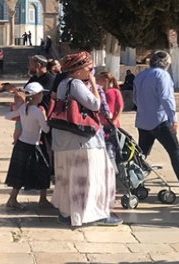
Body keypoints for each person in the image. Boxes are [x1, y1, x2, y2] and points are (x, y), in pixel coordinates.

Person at [51, 52, 121, 227]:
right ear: (78, 70)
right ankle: (92, 213)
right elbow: (95, 104)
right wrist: (94, 85)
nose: (91, 72)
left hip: (65, 139)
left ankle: (68, 212)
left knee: (70, 179)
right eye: (89, 69)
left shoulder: (63, 83)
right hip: (81, 140)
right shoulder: (75, 83)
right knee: (90, 177)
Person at [133, 51, 179, 196]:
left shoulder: (140, 76)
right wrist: (173, 118)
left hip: (142, 120)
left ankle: (136, 182)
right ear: (166, 63)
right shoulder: (162, 75)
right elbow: (166, 98)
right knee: (175, 151)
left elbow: (136, 99)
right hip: (160, 120)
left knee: (141, 154)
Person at [3, 82, 53, 210]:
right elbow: (46, 129)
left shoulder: (23, 108)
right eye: (41, 93)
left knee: (19, 172)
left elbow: (7, 116)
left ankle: (12, 198)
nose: (42, 96)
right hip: (34, 146)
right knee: (43, 171)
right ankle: (42, 198)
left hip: (21, 144)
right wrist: (46, 117)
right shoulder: (37, 111)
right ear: (36, 96)